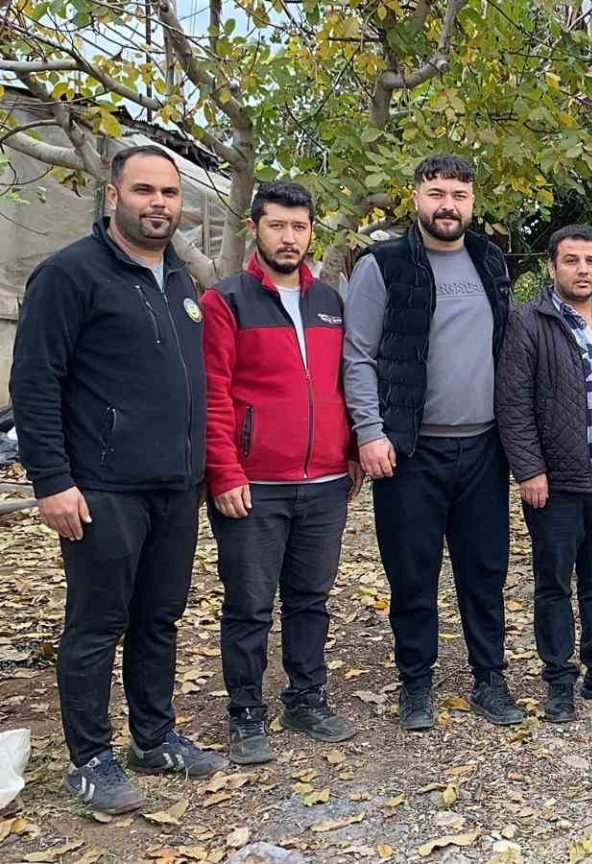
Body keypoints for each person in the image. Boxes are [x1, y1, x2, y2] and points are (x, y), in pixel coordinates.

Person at [11, 145, 224, 813]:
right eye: (144, 190)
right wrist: (51, 480)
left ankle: (153, 738)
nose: (158, 203)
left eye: (169, 193)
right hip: (102, 487)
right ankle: (90, 759)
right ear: (113, 195)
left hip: (175, 486)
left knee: (159, 617)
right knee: (97, 623)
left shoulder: (180, 280)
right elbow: (35, 382)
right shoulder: (69, 275)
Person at [343, 154, 522, 730]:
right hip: (410, 451)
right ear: (415, 196)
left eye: (460, 195)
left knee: (485, 571)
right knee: (412, 574)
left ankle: (489, 679)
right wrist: (370, 431)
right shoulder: (383, 265)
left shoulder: (489, 260)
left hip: (484, 448)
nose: (448, 205)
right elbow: (358, 355)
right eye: (437, 193)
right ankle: (416, 685)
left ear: (473, 202)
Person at [202, 181, 361, 764]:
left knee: (310, 599)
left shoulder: (331, 302)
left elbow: (345, 381)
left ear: (312, 231)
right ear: (255, 230)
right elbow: (213, 394)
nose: (288, 238)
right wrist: (224, 471)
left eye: (298, 227)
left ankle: (306, 697)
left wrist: (350, 449)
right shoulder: (226, 302)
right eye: (277, 226)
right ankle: (246, 712)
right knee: (249, 603)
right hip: (254, 486)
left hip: (324, 483)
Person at [496, 224, 592, 723]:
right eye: (571, 261)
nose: (582, 270)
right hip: (558, 484)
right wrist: (529, 470)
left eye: (590, 261)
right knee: (554, 585)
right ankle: (559, 680)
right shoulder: (529, 322)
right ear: (552, 267)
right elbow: (513, 403)